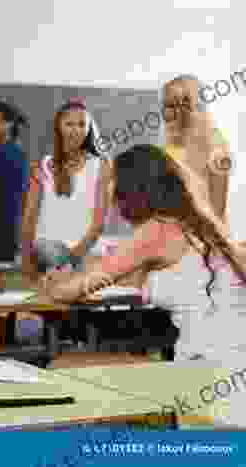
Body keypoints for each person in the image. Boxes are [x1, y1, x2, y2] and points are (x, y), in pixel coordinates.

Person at [41, 144, 246, 364]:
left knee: (64, 363)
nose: (110, 193)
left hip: (211, 365)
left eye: (114, 185)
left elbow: (72, 290)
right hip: (232, 361)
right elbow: (126, 275)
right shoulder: (201, 226)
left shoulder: (156, 230)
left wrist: (53, 283)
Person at [20, 98, 112, 275]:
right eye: (69, 124)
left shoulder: (101, 166)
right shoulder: (44, 166)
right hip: (45, 254)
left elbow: (99, 224)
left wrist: (72, 259)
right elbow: (30, 217)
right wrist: (26, 257)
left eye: (81, 124)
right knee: (51, 251)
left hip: (84, 254)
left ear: (89, 128)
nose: (76, 130)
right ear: (58, 127)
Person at [160, 74, 231, 222]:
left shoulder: (217, 147)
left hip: (203, 237)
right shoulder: (171, 143)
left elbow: (216, 212)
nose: (175, 113)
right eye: (169, 105)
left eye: (184, 105)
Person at [0, 101, 30, 290]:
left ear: (10, 124)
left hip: (1, 231)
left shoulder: (7, 154)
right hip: (7, 230)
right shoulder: (12, 152)